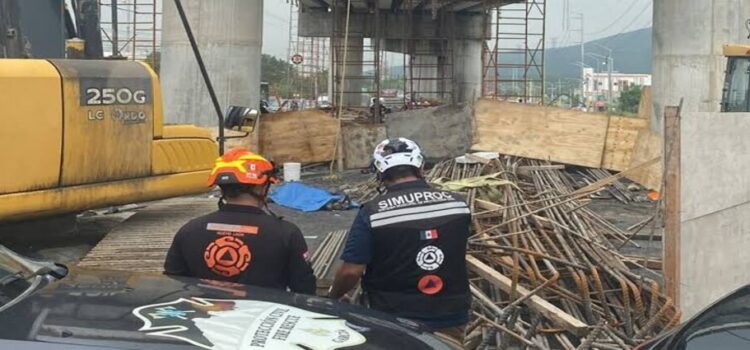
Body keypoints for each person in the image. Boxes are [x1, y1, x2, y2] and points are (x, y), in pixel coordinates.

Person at [328, 138, 472, 342]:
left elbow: (352, 271)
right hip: (450, 312)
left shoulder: (373, 212)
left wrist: (333, 297)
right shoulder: (459, 205)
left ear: (379, 172)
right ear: (420, 166)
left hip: (394, 317)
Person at [164, 148, 316, 295]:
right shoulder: (286, 233)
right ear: (262, 187)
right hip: (264, 318)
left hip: (205, 317)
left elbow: (172, 284)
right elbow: (304, 289)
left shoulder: (190, 230)